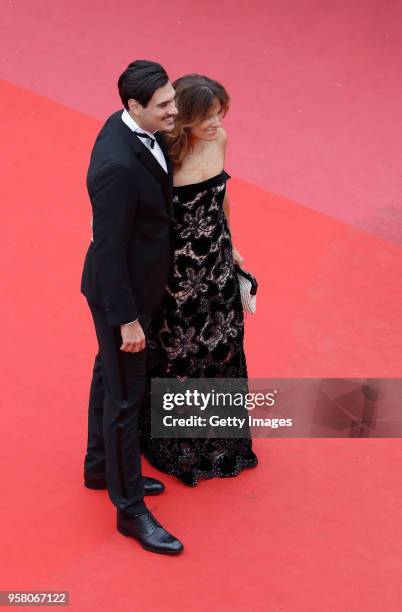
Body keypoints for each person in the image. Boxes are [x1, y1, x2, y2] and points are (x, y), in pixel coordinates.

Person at [81, 60, 183, 554]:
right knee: (126, 399)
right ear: (133, 106)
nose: (174, 110)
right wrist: (127, 320)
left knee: (109, 376)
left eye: (172, 99)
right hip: (122, 298)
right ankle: (130, 511)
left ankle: (99, 467)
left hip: (130, 287)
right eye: (164, 105)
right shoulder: (118, 166)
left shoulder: (128, 126)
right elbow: (108, 248)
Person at [139, 74, 258, 486]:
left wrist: (234, 245)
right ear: (186, 117)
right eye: (208, 116)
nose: (217, 123)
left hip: (218, 264)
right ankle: (177, 442)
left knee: (221, 348)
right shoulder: (163, 155)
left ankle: (218, 436)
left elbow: (222, 194)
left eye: (220, 113)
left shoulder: (219, 141)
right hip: (178, 272)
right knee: (179, 353)